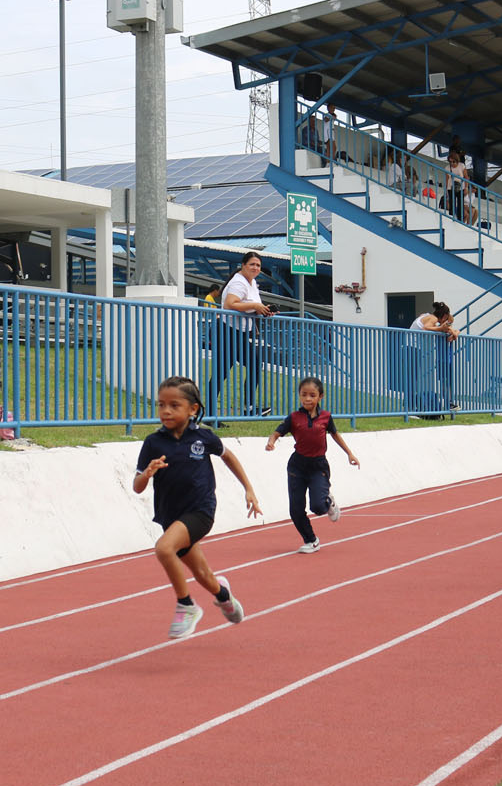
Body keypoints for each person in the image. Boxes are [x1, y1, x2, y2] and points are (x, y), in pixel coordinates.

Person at [134, 376, 261, 639]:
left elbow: (229, 457)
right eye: (161, 405)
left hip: (201, 511)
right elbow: (137, 486)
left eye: (174, 405)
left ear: (192, 409)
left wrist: (248, 489)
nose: (165, 411)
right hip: (171, 516)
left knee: (164, 548)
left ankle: (187, 605)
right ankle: (223, 596)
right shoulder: (153, 442)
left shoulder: (204, 437)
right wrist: (147, 473)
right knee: (202, 573)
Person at [265, 376, 360, 553]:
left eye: (312, 395)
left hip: (318, 467)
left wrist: (350, 453)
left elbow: (335, 435)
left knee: (317, 506)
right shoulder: (294, 417)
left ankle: (328, 501)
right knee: (295, 510)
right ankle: (311, 540)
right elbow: (277, 433)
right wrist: (271, 442)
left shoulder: (326, 417)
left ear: (320, 397)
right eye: (304, 395)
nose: (307, 399)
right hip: (297, 467)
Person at [206, 252, 273, 419]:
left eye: (258, 265)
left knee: (255, 364)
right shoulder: (238, 282)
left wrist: (264, 310)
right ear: (243, 265)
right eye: (252, 264)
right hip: (227, 331)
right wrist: (256, 305)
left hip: (241, 333)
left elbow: (249, 306)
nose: (255, 268)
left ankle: (249, 407)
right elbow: (230, 304)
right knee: (221, 371)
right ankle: (210, 414)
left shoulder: (253, 283)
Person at [409, 301, 460, 415]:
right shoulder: (433, 319)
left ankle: (410, 407)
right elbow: (426, 328)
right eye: (446, 319)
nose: (446, 322)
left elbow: (450, 327)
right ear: (443, 316)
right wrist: (442, 328)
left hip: (411, 347)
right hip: (413, 347)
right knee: (412, 379)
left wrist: (451, 328)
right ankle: (409, 408)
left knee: (413, 378)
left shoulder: (427, 315)